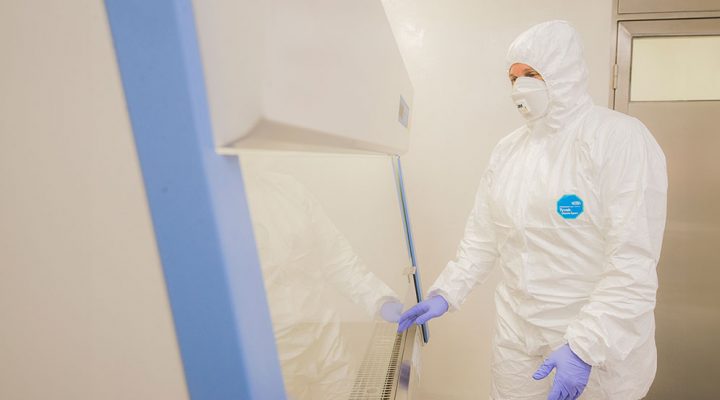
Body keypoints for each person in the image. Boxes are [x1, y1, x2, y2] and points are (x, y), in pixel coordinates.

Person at [397, 20, 667, 400]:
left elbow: (632, 262)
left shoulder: (617, 139)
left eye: (531, 74)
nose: (519, 87)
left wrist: (583, 347)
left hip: (596, 349)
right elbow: (482, 239)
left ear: (563, 71)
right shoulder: (509, 151)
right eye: (513, 78)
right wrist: (445, 292)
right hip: (517, 341)